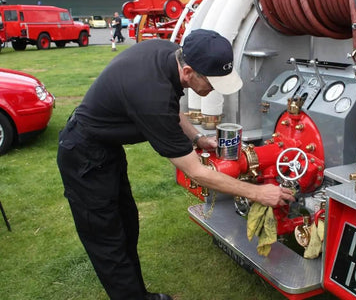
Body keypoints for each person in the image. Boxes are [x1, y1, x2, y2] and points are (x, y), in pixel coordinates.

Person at [56, 29, 294, 300]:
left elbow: (171, 107)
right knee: (108, 242)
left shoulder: (169, 54)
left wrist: (197, 137)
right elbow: (196, 172)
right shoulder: (151, 97)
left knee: (126, 225)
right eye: (213, 82)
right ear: (189, 72)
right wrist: (258, 192)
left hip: (105, 150)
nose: (215, 88)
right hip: (83, 156)